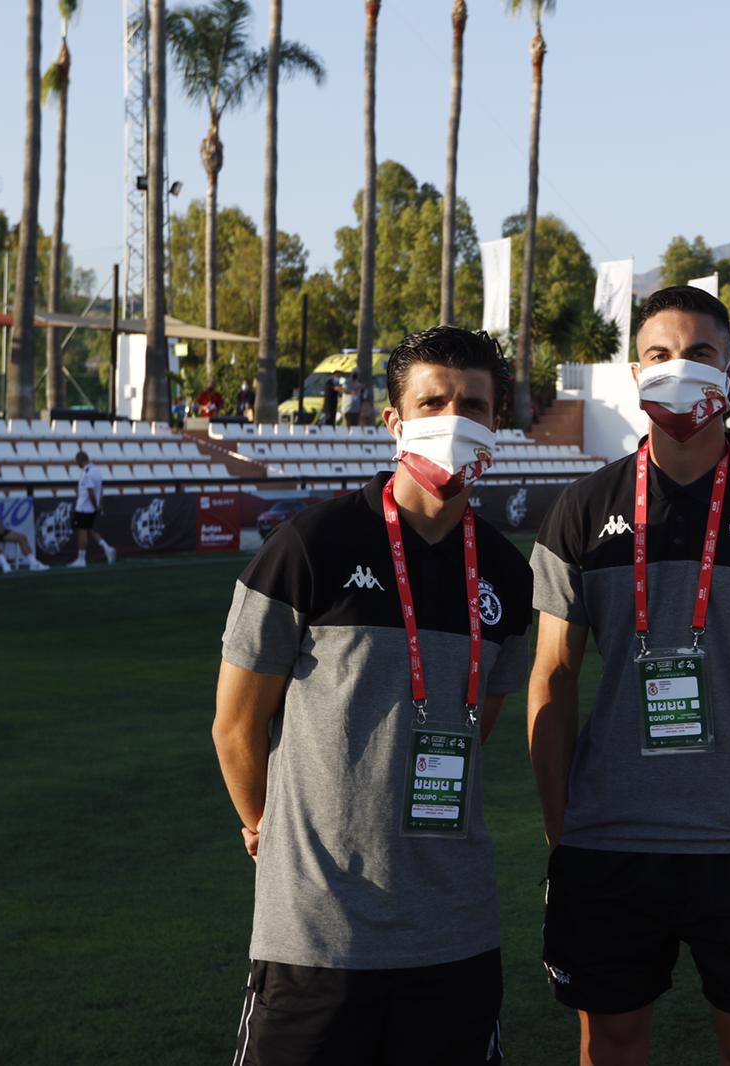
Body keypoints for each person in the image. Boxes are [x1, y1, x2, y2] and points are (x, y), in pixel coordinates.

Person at [528, 286, 730, 1066]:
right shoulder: (581, 506)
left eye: (700, 354)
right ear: (633, 374)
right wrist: (560, 825)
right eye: (659, 354)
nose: (679, 369)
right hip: (608, 838)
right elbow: (552, 676)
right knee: (610, 1041)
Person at [213, 326, 530, 1065]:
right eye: (433, 402)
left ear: (496, 422)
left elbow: (475, 725)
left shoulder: (508, 575)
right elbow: (236, 725)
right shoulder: (311, 544)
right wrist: (268, 826)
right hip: (318, 932)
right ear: (394, 421)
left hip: (455, 930)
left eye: (473, 405)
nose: (454, 420)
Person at [67, 451, 116, 568]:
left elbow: (90, 492)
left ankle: (81, 559)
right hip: (90, 508)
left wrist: (96, 505)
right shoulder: (96, 470)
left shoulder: (87, 473)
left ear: (80, 460)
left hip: (84, 507)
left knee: (82, 531)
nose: (76, 463)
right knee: (89, 529)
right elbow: (101, 489)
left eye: (76, 461)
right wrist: (99, 504)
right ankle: (107, 548)